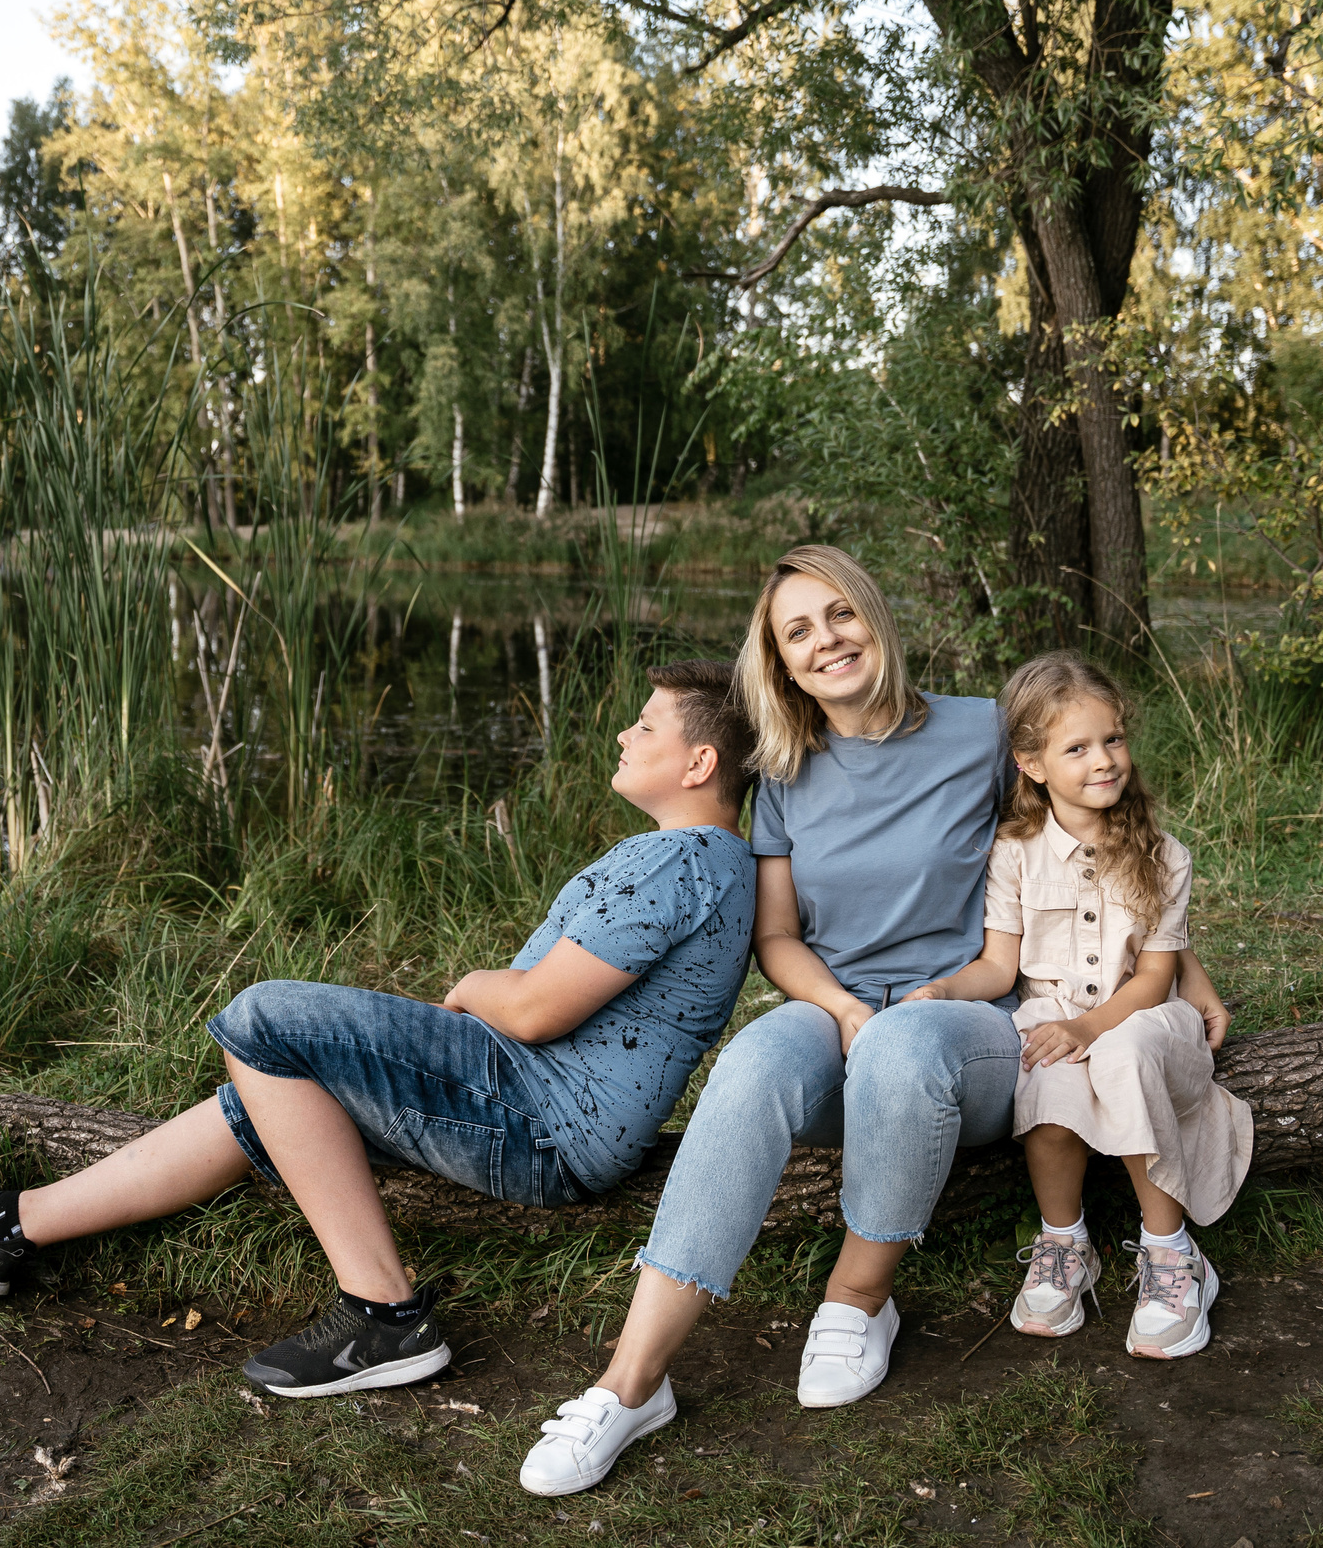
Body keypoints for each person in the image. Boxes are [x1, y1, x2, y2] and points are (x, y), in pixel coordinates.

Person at [516, 546, 1230, 1499]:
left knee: (902, 1044)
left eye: (839, 614)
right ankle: (630, 1382)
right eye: (797, 632)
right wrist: (844, 1007)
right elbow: (777, 938)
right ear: (780, 661)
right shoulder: (783, 771)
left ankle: (857, 1300)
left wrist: (1186, 965)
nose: (826, 641)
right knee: (755, 1060)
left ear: (875, 616)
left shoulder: (983, 734)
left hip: (973, 1025)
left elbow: (1101, 845)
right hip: (837, 1011)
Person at [0, 660, 758, 1400]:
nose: (623, 731)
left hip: (540, 1119)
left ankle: (386, 1315)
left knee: (264, 1019)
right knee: (269, 1100)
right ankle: (7, 1226)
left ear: (699, 761)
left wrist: (469, 985)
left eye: (645, 723)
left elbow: (541, 1009)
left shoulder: (683, 859)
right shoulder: (709, 864)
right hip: (539, 1107)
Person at [971, 652, 1250, 1358]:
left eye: (1114, 739)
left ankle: (1171, 1254)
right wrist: (940, 992)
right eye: (1078, 746)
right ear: (1031, 763)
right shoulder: (1013, 853)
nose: (1104, 759)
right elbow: (1000, 964)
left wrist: (1089, 1028)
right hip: (1054, 1010)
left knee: (1120, 1054)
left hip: (1147, 1019)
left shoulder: (1164, 855)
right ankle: (1065, 1245)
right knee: (1048, 1071)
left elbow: (1156, 977)